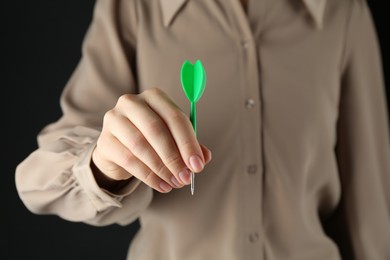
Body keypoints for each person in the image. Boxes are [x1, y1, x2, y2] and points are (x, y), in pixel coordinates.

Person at [15, 0, 390, 259]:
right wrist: (104, 165)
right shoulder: (133, 7)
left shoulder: (344, 13)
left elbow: (370, 200)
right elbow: (39, 179)